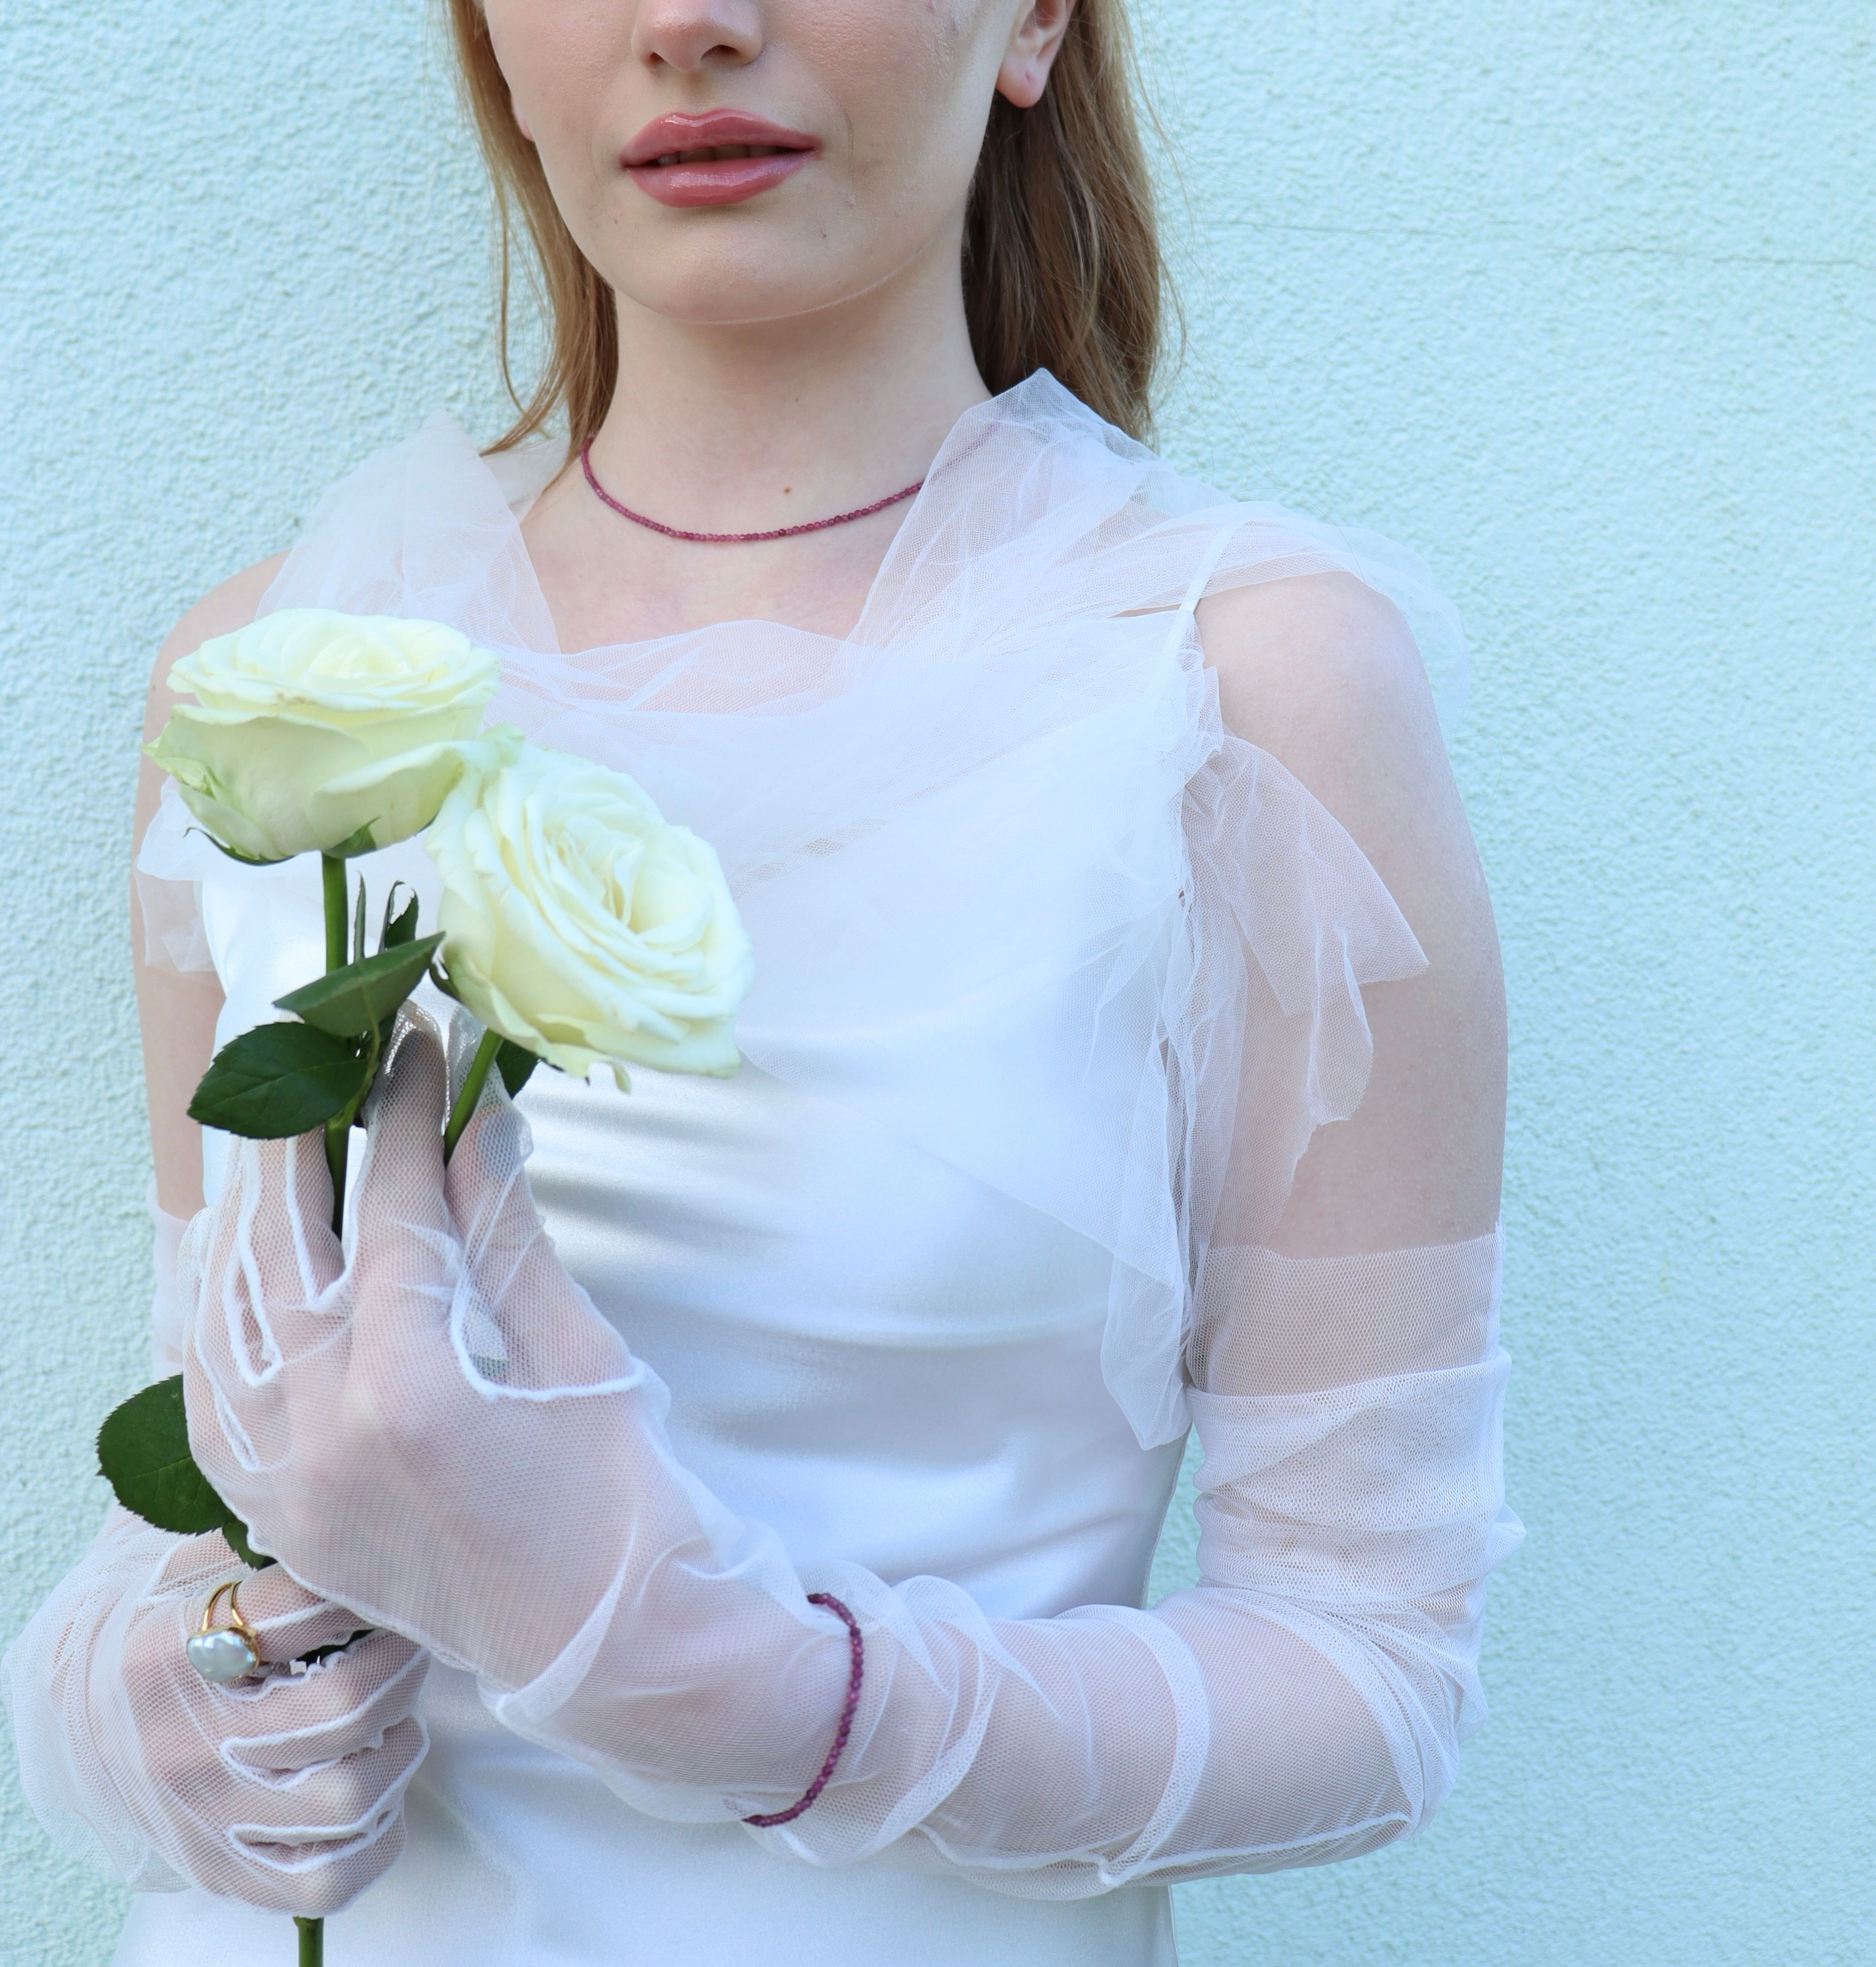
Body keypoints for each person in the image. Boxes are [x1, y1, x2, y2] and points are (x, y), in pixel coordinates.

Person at [6, 3, 1520, 1962]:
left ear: (1036, 18)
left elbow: (1375, 1669)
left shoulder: (1242, 689)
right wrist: (141, 1703)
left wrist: (742, 1683)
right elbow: (202, 1475)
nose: (691, 23)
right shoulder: (281, 681)